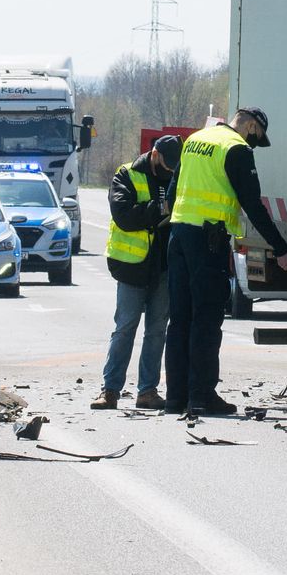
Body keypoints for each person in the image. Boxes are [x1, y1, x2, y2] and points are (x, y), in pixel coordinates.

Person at [163, 108, 287, 415]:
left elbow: (172, 195)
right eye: (256, 137)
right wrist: (280, 248)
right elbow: (252, 205)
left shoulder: (196, 139)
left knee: (180, 319)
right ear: (250, 125)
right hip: (207, 241)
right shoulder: (236, 149)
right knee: (207, 320)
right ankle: (202, 396)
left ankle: (175, 398)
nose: (254, 145)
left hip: (179, 236)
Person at [92, 134, 180, 411]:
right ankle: (110, 390)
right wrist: (161, 209)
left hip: (164, 267)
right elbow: (125, 216)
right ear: (154, 154)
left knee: (156, 331)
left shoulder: (176, 177)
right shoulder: (127, 174)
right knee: (125, 328)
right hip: (132, 267)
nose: (169, 171)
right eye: (167, 165)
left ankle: (148, 392)